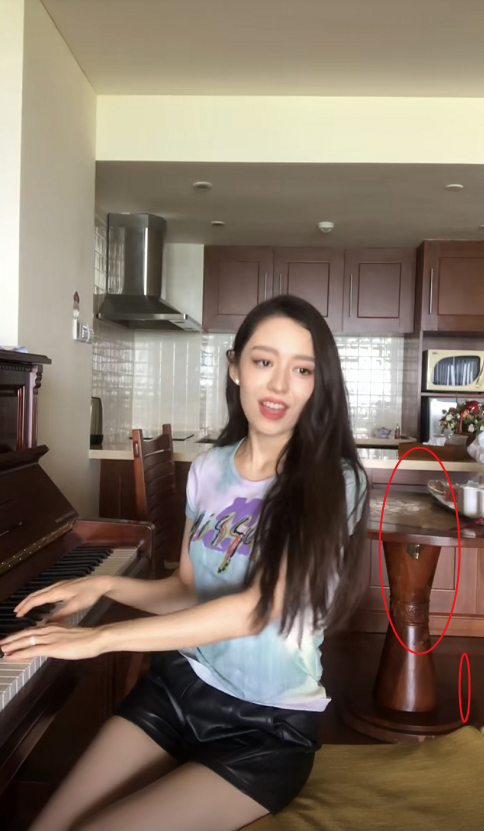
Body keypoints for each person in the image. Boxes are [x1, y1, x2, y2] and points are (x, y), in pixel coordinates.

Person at [0, 295, 368, 831]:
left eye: (302, 369)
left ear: (320, 383)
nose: (280, 385)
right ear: (235, 367)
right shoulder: (209, 468)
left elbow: (258, 609)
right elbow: (186, 590)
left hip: (265, 728)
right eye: (264, 361)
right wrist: (102, 587)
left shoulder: (334, 481)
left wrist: (100, 639)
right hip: (178, 689)